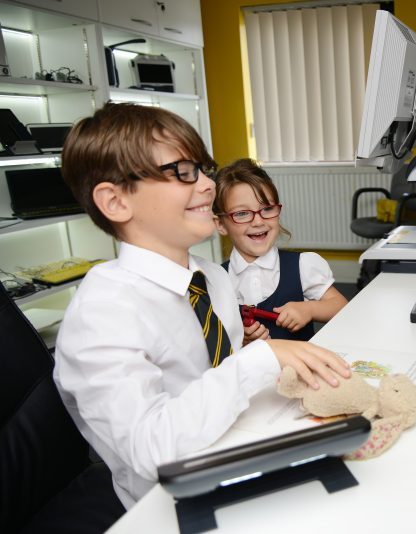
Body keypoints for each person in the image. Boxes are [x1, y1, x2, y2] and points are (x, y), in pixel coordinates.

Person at [53, 103, 350, 509]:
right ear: (117, 202)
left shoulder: (213, 278)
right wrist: (259, 358)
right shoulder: (102, 312)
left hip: (237, 443)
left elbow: (217, 375)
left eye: (204, 169)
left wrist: (251, 352)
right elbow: (152, 451)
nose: (209, 185)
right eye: (182, 172)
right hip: (172, 503)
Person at [213, 159, 348, 342]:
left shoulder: (302, 266)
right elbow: (214, 338)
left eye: (266, 209)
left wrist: (309, 309)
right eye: (242, 213)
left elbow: (341, 306)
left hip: (299, 369)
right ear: (220, 224)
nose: (258, 221)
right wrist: (239, 338)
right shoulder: (216, 279)